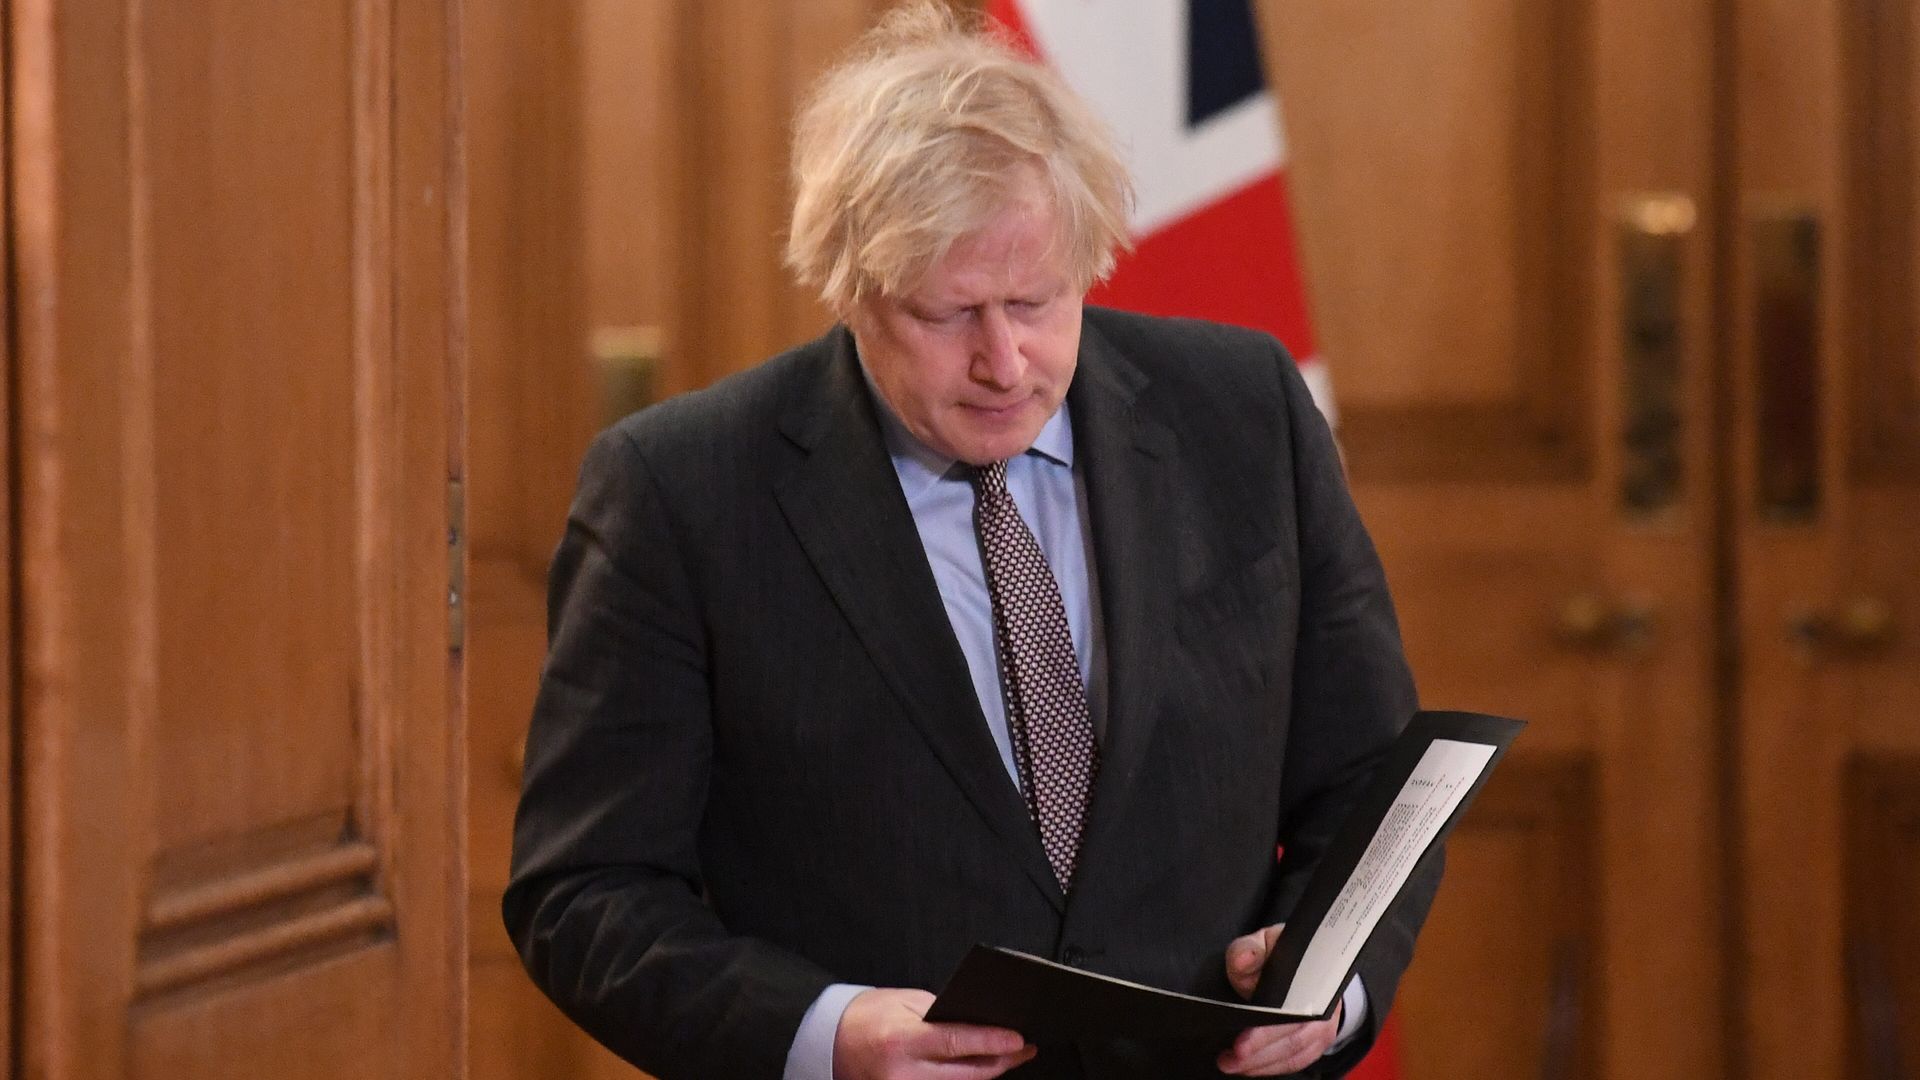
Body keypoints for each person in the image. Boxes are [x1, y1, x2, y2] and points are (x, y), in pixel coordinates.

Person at [504, 5, 1438, 1078]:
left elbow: (1372, 775)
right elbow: (584, 894)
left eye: (1036, 300)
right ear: (851, 288)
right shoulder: (682, 493)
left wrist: (1333, 973)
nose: (1006, 361)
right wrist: (826, 1035)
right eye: (948, 315)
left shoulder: (1245, 413)